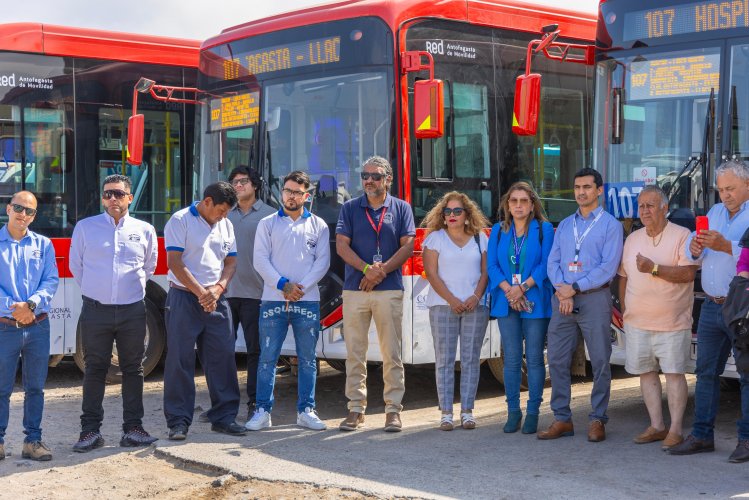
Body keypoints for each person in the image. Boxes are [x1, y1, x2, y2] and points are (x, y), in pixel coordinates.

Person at [69, 175, 159, 452]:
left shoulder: (144, 229)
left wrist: (124, 294)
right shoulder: (86, 228)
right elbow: (77, 267)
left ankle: (133, 429)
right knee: (94, 369)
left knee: (133, 369)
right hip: (96, 311)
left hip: (133, 310)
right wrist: (100, 293)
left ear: (129, 198)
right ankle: (90, 432)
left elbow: (149, 267)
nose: (113, 199)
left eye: (119, 194)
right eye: (108, 194)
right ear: (102, 198)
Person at [669, 160, 749, 463]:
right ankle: (702, 435)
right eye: (720, 189)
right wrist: (696, 247)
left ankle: (746, 439)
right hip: (713, 306)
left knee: (746, 376)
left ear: (747, 185)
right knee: (704, 374)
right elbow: (694, 248)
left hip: (743, 308)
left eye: (730, 188)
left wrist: (726, 245)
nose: (724, 195)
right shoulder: (714, 213)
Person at [539, 167, 623, 442]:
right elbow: (553, 261)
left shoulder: (611, 225)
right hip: (562, 300)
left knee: (599, 361)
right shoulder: (565, 224)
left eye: (587, 187)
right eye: (577, 187)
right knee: (557, 360)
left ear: (599, 190)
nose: (581, 192)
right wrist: (563, 292)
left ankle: (598, 418)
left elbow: (607, 267)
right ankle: (562, 419)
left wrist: (573, 288)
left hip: (594, 299)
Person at [245, 171, 331, 431]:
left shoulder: (319, 225)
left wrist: (299, 288)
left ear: (306, 196)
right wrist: (283, 285)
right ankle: (262, 411)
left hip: (307, 300)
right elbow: (260, 260)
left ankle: (306, 410)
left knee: (307, 358)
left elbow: (322, 262)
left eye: (296, 192)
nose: (290, 196)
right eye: (287, 190)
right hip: (273, 300)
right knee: (267, 358)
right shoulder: (268, 224)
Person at [335, 156, 415, 432]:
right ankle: (355, 409)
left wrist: (379, 273)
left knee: (391, 353)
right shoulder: (349, 208)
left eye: (376, 176)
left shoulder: (402, 208)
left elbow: (407, 246)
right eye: (365, 175)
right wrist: (367, 269)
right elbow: (342, 247)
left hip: (389, 290)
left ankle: (393, 410)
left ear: (388, 179)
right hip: (355, 291)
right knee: (354, 353)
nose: (369, 180)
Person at [162, 181, 246, 440]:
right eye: (221, 210)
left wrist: (218, 288)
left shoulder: (226, 225)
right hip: (184, 298)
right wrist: (202, 293)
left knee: (222, 358)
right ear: (207, 201)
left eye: (227, 212)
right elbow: (174, 262)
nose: (223, 216)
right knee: (180, 360)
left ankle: (224, 417)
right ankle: (178, 421)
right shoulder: (180, 220)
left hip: (217, 300)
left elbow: (231, 262)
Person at [617, 185, 697, 450]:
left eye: (650, 205)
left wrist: (653, 268)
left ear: (665, 208)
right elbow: (624, 277)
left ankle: (675, 430)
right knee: (646, 373)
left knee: (674, 374)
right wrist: (626, 309)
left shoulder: (682, 235)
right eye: (641, 206)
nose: (645, 211)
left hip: (672, 323)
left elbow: (687, 274)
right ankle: (657, 425)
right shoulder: (633, 238)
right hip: (637, 321)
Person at [488, 182, 554, 435]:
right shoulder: (498, 230)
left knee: (535, 358)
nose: (518, 205)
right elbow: (492, 265)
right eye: (513, 201)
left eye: (523, 201)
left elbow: (546, 264)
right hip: (507, 300)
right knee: (512, 360)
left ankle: (534, 412)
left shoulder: (544, 230)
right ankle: (513, 411)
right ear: (507, 205)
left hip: (534, 299)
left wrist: (522, 288)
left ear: (532, 205)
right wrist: (508, 289)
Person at [421, 191, 490, 431]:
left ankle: (468, 412)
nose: (451, 215)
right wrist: (452, 300)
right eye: (447, 211)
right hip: (442, 306)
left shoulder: (481, 238)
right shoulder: (435, 239)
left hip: (475, 306)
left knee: (471, 360)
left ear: (467, 214)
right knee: (444, 361)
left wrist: (475, 297)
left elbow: (486, 272)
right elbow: (431, 273)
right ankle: (446, 413)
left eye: (457, 211)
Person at [0, 191, 58, 461]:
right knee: (2, 388)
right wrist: (15, 309)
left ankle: (32, 441)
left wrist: (30, 306)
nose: (23, 214)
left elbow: (50, 281)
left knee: (35, 388)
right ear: (8, 208)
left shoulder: (44, 245)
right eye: (19, 208)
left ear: (35, 216)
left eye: (30, 211)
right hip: (4, 327)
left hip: (38, 327)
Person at [223, 166, 275, 419]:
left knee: (256, 352)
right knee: (223, 351)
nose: (238, 186)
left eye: (243, 181)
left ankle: (255, 402)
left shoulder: (270, 216)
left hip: (258, 294)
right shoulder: (223, 214)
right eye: (234, 182)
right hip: (226, 293)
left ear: (254, 185)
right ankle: (223, 403)